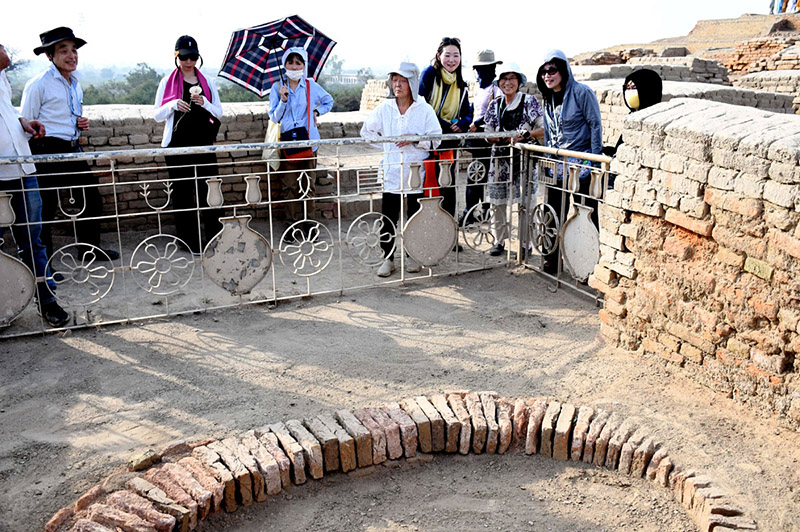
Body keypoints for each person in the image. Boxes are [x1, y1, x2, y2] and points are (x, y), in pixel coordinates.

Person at [21, 27, 118, 260]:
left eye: (74, 50)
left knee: (91, 199)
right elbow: (25, 121)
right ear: (49, 56)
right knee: (46, 207)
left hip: (72, 148)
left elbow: (66, 114)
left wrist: (79, 122)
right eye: (63, 50)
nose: (71, 55)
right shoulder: (39, 84)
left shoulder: (74, 82)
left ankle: (88, 250)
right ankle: (44, 265)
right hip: (46, 149)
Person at [0, 43, 69, 327]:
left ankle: (47, 301)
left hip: (22, 167)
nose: (4, 50)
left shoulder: (2, 77)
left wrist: (23, 122)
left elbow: (6, 112)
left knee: (32, 241)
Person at [360, 62, 441, 277]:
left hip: (415, 172)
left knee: (415, 216)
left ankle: (414, 254)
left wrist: (415, 140)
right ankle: (388, 258)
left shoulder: (424, 109)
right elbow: (366, 132)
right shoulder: (384, 108)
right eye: (394, 79)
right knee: (388, 217)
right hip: (392, 171)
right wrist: (387, 145)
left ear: (412, 82)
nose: (397, 84)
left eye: (403, 80)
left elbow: (436, 138)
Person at [154, 35, 223, 254]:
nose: (188, 61)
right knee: (183, 195)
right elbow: (157, 114)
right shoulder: (167, 82)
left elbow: (219, 112)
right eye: (184, 56)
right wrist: (173, 104)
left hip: (204, 144)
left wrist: (205, 103)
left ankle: (213, 237)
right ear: (177, 57)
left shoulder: (207, 82)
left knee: (209, 192)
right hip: (178, 146)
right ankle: (189, 241)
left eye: (193, 56)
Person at [536, 49, 603, 274]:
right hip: (556, 165)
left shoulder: (582, 93)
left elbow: (595, 124)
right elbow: (549, 131)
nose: (548, 75)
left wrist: (594, 162)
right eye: (544, 72)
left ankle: (588, 264)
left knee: (586, 216)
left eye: (552, 70)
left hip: (581, 164)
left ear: (563, 70)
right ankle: (552, 260)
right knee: (552, 213)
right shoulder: (548, 98)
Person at [268, 47, 334, 224]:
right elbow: (274, 117)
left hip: (308, 142)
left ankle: (309, 224)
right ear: (285, 64)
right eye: (291, 62)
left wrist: (317, 111)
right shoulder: (277, 87)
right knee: (289, 186)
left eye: (298, 63)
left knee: (308, 185)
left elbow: (329, 101)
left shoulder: (311, 85)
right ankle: (291, 224)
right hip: (288, 142)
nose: (294, 67)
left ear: (304, 66)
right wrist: (283, 100)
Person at [484, 63, 544, 256]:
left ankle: (525, 244)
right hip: (500, 162)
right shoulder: (495, 105)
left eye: (512, 78)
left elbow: (542, 128)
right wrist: (500, 136)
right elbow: (488, 133)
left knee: (526, 203)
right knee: (497, 203)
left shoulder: (529, 102)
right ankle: (499, 240)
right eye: (504, 78)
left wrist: (525, 135)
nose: (507, 82)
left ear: (518, 82)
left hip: (524, 161)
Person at [418, 37, 473, 232]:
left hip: (449, 143)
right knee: (427, 187)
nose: (452, 60)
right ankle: (427, 232)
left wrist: (462, 124)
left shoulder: (460, 83)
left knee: (448, 187)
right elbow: (421, 106)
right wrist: (445, 126)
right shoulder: (430, 75)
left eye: (456, 55)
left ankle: (449, 234)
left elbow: (468, 112)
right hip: (428, 142)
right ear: (438, 55)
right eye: (447, 55)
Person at [465, 50, 503, 222]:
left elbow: (494, 112)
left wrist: (477, 124)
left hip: (487, 136)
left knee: (486, 175)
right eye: (480, 69)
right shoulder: (479, 90)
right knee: (476, 174)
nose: (483, 73)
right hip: (476, 137)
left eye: (487, 69)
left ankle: (483, 212)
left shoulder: (496, 90)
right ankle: (472, 210)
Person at [604, 68, 663, 157]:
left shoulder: (655, 120)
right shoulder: (632, 116)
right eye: (627, 88)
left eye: (634, 88)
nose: (629, 92)